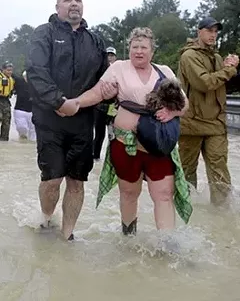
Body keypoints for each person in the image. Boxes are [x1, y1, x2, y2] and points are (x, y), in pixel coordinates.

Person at [73, 27, 192, 234]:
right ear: (128, 48)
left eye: (144, 47)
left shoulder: (165, 71)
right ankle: (129, 238)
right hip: (125, 145)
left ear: (152, 51)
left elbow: (184, 104)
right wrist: (75, 103)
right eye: (134, 46)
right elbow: (97, 93)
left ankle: (168, 245)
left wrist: (172, 113)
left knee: (164, 194)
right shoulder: (118, 67)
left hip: (158, 146)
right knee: (129, 193)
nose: (139, 51)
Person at [26, 0, 109, 240]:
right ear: (57, 7)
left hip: (83, 122)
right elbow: (35, 71)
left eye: (78, 0)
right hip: (50, 120)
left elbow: (104, 81)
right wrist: (58, 102)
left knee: (76, 181)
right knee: (52, 178)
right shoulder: (44, 33)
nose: (74, 3)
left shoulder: (95, 41)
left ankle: (68, 234)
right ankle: (46, 219)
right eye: (68, 0)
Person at [177, 17, 239, 206]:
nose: (213, 35)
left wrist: (232, 66)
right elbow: (204, 83)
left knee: (220, 173)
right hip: (191, 123)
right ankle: (186, 215)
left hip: (216, 124)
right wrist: (229, 70)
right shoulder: (189, 56)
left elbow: (223, 84)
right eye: (209, 30)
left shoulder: (217, 57)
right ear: (199, 31)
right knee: (186, 173)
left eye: (215, 31)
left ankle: (222, 218)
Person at [93, 46, 118, 160]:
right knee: (99, 134)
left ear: (115, 57)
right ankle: (95, 155)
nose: (110, 57)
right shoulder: (99, 69)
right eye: (108, 55)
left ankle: (113, 157)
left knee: (113, 134)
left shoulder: (119, 70)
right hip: (100, 107)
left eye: (112, 55)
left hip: (113, 107)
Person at [13, 70, 36, 141]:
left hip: (33, 111)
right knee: (22, 128)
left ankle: (31, 145)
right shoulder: (19, 81)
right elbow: (11, 74)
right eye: (26, 77)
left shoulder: (36, 84)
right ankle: (22, 138)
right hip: (20, 110)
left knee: (33, 131)